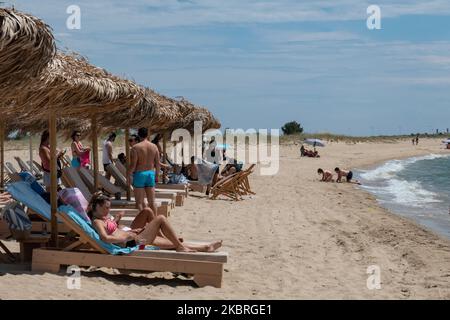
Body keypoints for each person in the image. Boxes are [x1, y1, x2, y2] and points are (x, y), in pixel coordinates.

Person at [87, 192, 222, 252]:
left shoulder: (103, 217)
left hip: (132, 234)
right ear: (97, 207)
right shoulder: (97, 221)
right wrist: (127, 236)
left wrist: (123, 225)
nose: (108, 209)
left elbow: (114, 229)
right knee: (161, 219)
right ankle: (203, 247)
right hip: (133, 242)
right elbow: (105, 238)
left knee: (147, 211)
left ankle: (167, 239)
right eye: (106, 207)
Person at [129, 128, 160, 214]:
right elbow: (158, 163)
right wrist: (157, 175)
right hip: (150, 173)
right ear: (147, 135)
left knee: (139, 202)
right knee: (152, 201)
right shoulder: (154, 147)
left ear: (138, 135)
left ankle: (143, 221)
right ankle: (154, 220)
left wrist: (128, 174)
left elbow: (133, 165)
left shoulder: (135, 148)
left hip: (140, 174)